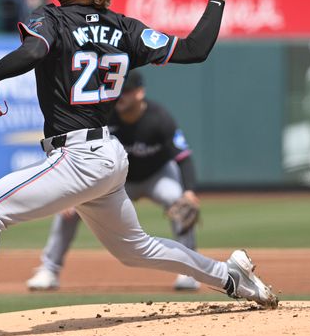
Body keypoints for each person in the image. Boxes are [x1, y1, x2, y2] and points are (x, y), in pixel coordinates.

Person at [0, 0, 278, 336]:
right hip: (107, 155)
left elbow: (34, 51)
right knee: (136, 249)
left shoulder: (53, 18)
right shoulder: (126, 29)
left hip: (79, 157)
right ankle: (231, 277)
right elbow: (195, 49)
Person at [26, 69, 204, 291]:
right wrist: (73, 193)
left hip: (157, 176)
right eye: (119, 91)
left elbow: (183, 157)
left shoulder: (160, 118)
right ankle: (49, 270)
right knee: (71, 208)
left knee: (178, 201)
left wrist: (189, 191)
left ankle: (189, 271)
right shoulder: (106, 115)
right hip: (119, 179)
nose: (121, 97)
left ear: (140, 93)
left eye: (127, 91)